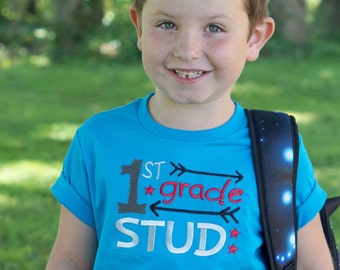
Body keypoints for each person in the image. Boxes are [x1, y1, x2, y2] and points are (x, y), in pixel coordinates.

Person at [46, 0, 334, 269]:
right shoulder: (98, 139)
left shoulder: (275, 145)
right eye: (167, 25)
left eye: (214, 28)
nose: (188, 50)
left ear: (255, 37)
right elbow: (69, 260)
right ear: (139, 27)